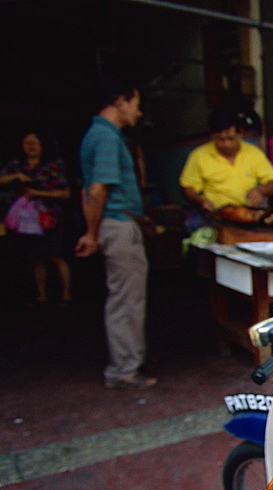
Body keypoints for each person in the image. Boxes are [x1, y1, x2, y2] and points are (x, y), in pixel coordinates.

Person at [75, 78, 156, 389]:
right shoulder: (106, 137)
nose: (138, 112)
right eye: (135, 103)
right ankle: (124, 369)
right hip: (118, 225)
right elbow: (96, 191)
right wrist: (92, 234)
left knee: (125, 297)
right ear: (120, 100)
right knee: (126, 299)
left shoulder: (102, 135)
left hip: (118, 223)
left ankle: (127, 363)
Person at [0, 130, 72, 306]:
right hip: (25, 219)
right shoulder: (16, 165)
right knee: (35, 256)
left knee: (55, 254)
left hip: (48, 216)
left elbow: (65, 193)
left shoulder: (52, 166)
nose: (31, 146)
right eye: (27, 143)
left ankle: (66, 294)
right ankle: (41, 295)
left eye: (35, 142)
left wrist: (37, 193)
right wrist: (16, 176)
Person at [179, 107, 273, 212]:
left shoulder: (254, 153)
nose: (226, 144)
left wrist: (261, 190)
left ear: (240, 133)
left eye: (231, 138)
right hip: (215, 213)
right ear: (211, 135)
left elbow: (272, 181)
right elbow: (187, 187)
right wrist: (201, 202)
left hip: (247, 212)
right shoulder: (199, 155)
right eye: (220, 139)